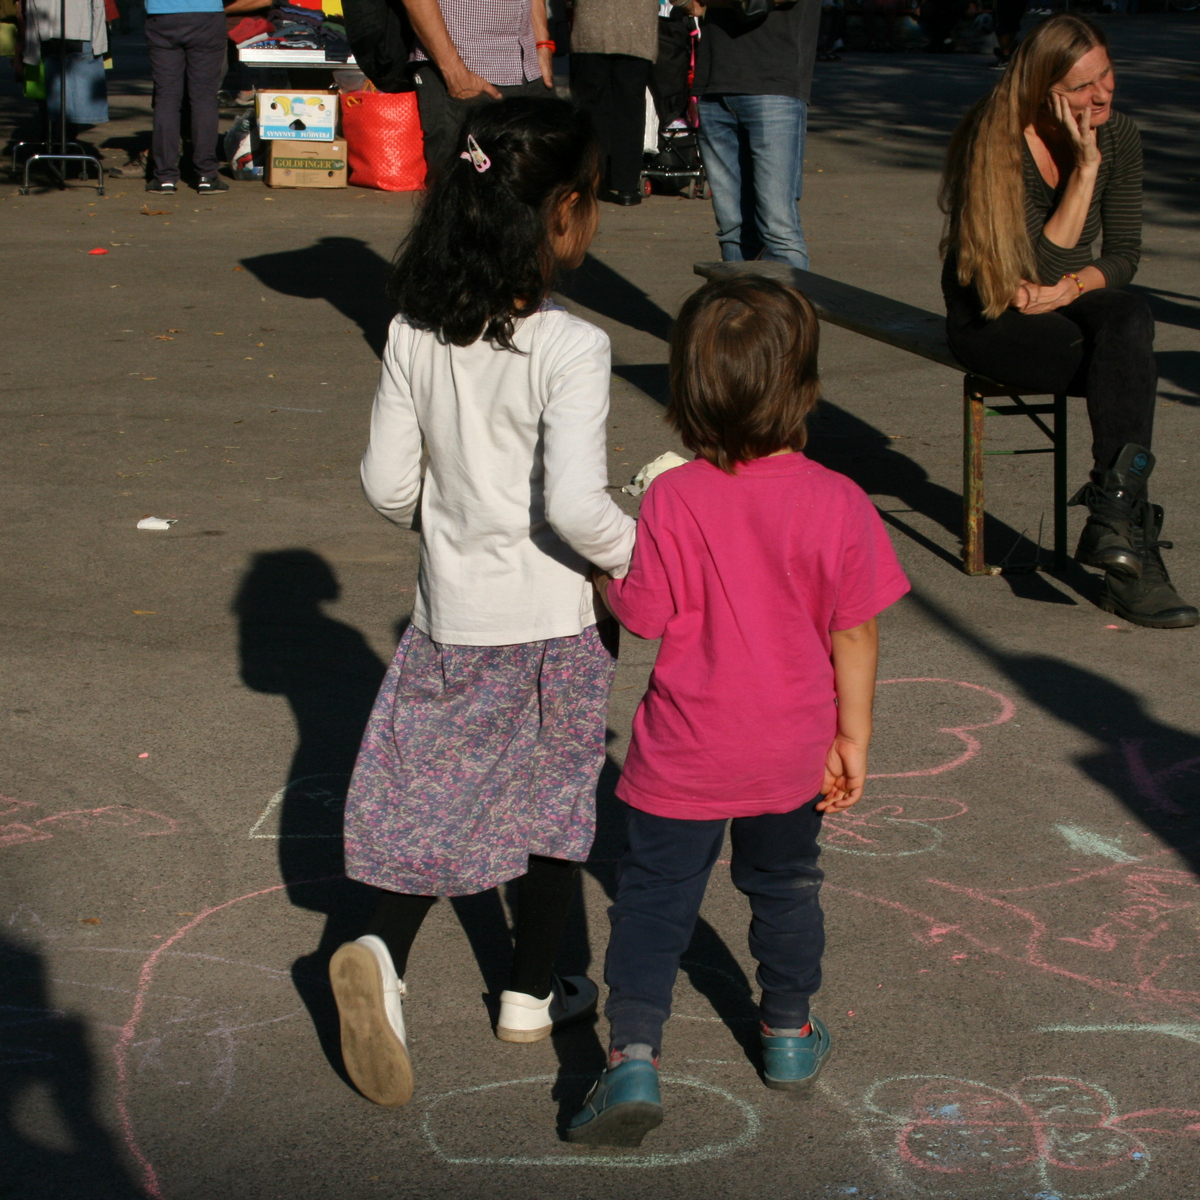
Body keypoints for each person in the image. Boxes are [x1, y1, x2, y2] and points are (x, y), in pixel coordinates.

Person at [327, 99, 637, 1109]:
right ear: (562, 212)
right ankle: (529, 993)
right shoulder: (572, 346)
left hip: (450, 618)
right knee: (555, 805)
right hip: (554, 623)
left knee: (433, 801)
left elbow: (386, 485)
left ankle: (382, 949)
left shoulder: (413, 329)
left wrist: (448, 518)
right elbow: (576, 508)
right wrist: (644, 551)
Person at [566, 276, 910, 1147]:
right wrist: (853, 737)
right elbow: (856, 630)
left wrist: (604, 573)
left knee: (653, 900)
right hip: (793, 748)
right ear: (804, 386)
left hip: (686, 748)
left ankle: (632, 1057)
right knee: (785, 886)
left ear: (688, 390)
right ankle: (788, 1033)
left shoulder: (675, 496)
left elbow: (645, 615)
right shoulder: (838, 499)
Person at [940, 14, 1197, 629]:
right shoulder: (996, 137)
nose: (1102, 94)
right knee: (1126, 368)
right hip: (991, 311)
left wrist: (1072, 287)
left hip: (1060, 295)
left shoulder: (1119, 134)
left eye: (1107, 74)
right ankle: (1132, 558)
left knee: (1129, 315)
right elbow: (1028, 267)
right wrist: (1083, 171)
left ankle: (1113, 518)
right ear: (1042, 90)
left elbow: (1123, 255)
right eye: (1082, 86)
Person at [685, 0, 820, 270]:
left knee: (778, 228)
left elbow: (755, 5)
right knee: (732, 229)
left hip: (774, 83)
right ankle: (743, 298)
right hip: (714, 82)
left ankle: (787, 300)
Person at [401, 0, 555, 177]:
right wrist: (455, 73)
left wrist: (543, 44)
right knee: (465, 186)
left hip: (530, 68)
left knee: (546, 180)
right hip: (465, 73)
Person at [569, 0, 659, 206]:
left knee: (590, 110)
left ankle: (591, 179)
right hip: (636, 29)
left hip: (591, 27)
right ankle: (626, 186)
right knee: (630, 110)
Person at [143, 0, 230, 192]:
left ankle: (164, 176)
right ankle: (207, 174)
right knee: (204, 97)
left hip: (161, 16)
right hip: (207, 16)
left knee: (166, 97)